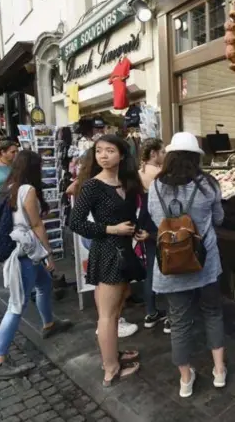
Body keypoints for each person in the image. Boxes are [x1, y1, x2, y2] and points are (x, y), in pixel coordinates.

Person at [147, 132, 226, 398]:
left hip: (170, 265)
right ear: (196, 158)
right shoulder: (208, 185)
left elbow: (153, 217)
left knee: (179, 323)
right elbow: (218, 219)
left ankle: (185, 379)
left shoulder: (155, 187)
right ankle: (218, 370)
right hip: (206, 262)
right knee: (212, 313)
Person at [0, 151, 72, 380]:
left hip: (21, 250)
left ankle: (49, 323)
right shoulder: (28, 190)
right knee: (16, 306)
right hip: (26, 253)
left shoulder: (10, 186)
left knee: (43, 285)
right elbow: (36, 225)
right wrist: (49, 255)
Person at [70, 134, 147, 386]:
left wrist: (137, 230)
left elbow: (133, 213)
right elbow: (75, 222)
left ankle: (113, 354)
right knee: (107, 314)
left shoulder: (127, 181)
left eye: (110, 150)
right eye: (99, 151)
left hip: (125, 252)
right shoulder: (93, 185)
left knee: (116, 311)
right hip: (106, 254)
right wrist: (110, 229)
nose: (103, 155)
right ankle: (111, 367)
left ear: (122, 155)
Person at [138, 138, 169, 332]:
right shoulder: (159, 175)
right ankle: (171, 317)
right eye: (162, 151)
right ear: (153, 154)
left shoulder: (137, 173)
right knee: (169, 265)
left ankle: (151, 311)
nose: (165, 155)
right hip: (159, 223)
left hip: (144, 225)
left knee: (150, 268)